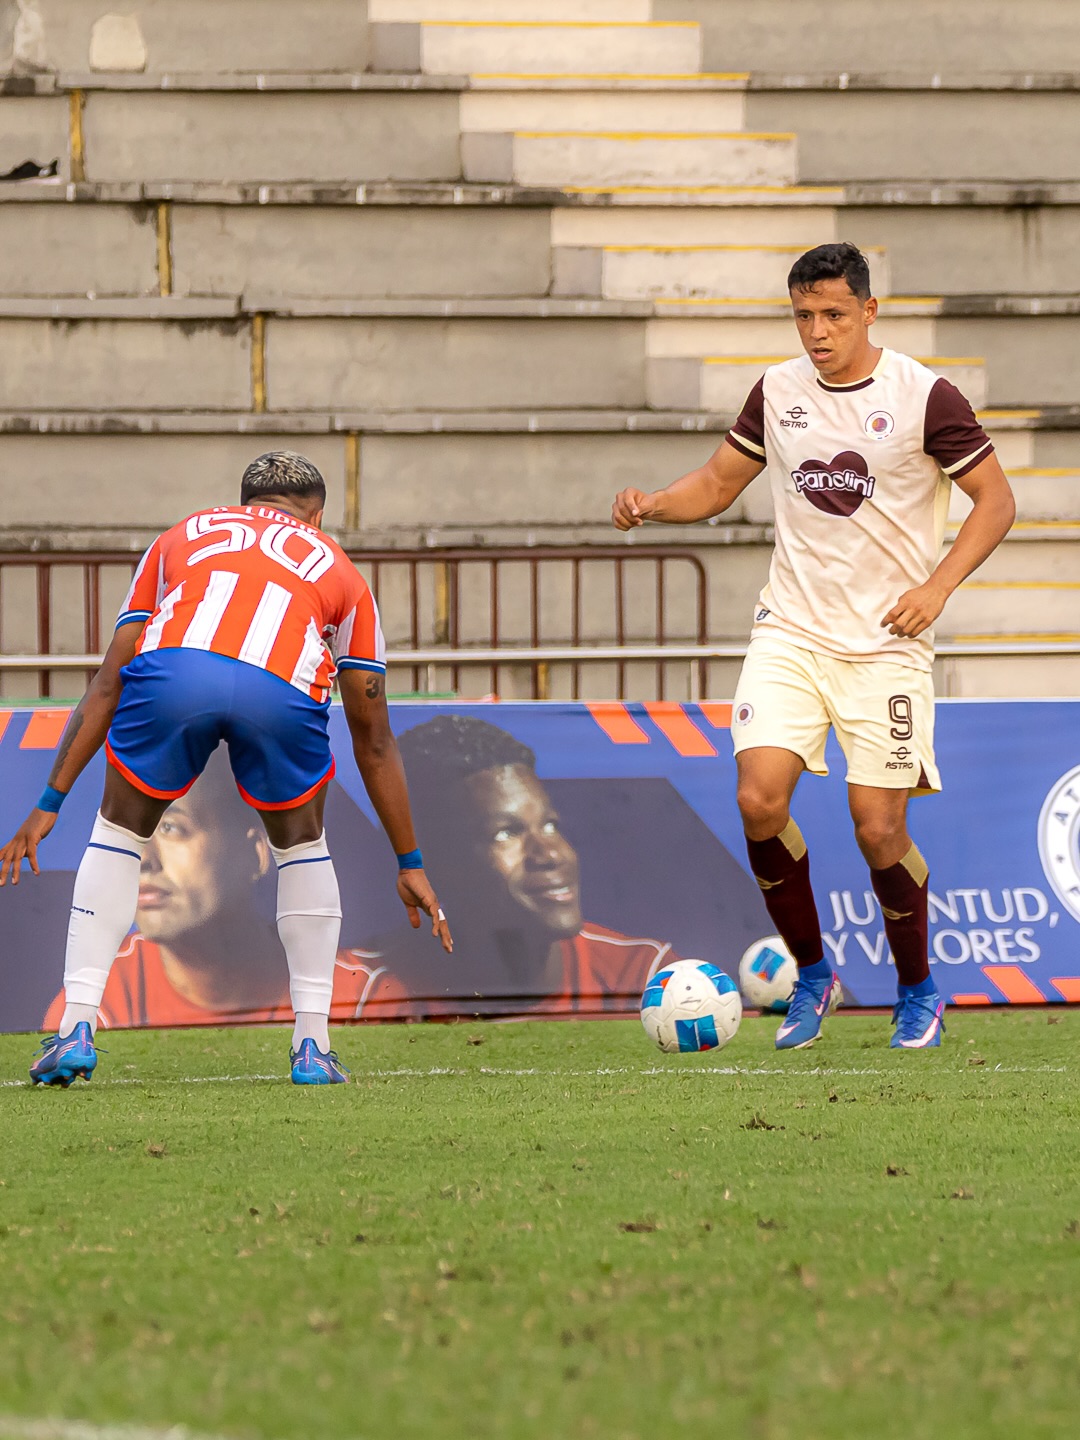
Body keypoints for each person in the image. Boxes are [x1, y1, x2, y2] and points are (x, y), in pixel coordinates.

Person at [612, 241, 1016, 1051]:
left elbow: (996, 501)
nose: (818, 331)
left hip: (887, 644)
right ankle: (814, 974)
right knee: (759, 799)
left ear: (870, 311)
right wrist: (654, 502)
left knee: (877, 829)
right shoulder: (779, 390)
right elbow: (721, 483)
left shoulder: (924, 396)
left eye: (834, 314)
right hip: (790, 632)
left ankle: (917, 987)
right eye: (804, 315)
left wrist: (935, 589)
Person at [0, 450, 452, 1085]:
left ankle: (76, 1025)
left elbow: (107, 682)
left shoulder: (180, 537)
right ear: (317, 516)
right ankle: (312, 1046)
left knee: (120, 834)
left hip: (175, 673)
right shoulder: (341, 570)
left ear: (243, 505)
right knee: (301, 849)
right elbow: (373, 738)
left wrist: (50, 799)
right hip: (279, 688)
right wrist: (409, 863)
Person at [350, 715, 680, 1019]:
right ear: (433, 861)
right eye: (506, 832)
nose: (551, 854)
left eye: (550, 825)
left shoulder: (648, 978)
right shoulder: (354, 993)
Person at [39, 755, 388, 1030]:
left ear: (256, 852)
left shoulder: (362, 997)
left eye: (172, 828)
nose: (143, 859)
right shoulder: (100, 1005)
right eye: (133, 832)